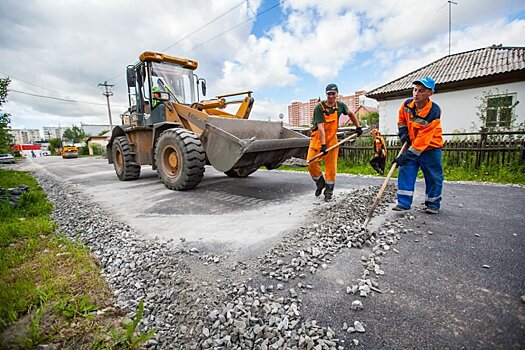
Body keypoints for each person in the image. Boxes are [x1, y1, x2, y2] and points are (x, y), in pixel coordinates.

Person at [392, 77, 444, 214]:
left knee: (433, 176)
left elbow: (422, 141)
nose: (416, 94)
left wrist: (406, 155)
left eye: (421, 91)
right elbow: (401, 121)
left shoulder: (433, 111)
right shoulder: (407, 105)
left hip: (430, 148)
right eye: (415, 90)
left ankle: (433, 204)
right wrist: (403, 135)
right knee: (406, 170)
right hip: (412, 144)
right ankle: (403, 203)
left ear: (430, 93)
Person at [307, 83, 363, 202]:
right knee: (311, 163)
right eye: (329, 94)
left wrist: (358, 127)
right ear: (326, 94)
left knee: (331, 168)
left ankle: (329, 191)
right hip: (317, 139)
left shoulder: (341, 106)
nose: (331, 96)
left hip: (332, 140)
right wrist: (323, 145)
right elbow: (321, 128)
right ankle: (320, 183)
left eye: (333, 94)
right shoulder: (319, 107)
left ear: (337, 94)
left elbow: (351, 114)